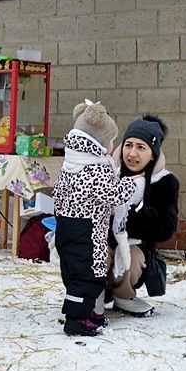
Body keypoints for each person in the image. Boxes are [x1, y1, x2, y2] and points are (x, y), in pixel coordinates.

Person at [53, 100, 142, 337]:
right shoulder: (95, 168)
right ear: (98, 144)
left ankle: (84, 311)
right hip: (87, 229)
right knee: (89, 272)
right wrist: (131, 184)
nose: (114, 146)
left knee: (75, 271)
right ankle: (77, 320)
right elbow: (113, 196)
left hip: (67, 226)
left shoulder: (72, 161)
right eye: (112, 140)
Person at [107, 115, 180, 317]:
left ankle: (124, 297)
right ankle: (94, 296)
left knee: (130, 256)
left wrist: (132, 217)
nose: (132, 153)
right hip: (104, 241)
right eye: (128, 145)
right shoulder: (108, 174)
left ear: (153, 154)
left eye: (141, 147)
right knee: (95, 254)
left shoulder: (164, 182)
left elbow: (166, 227)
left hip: (136, 247)